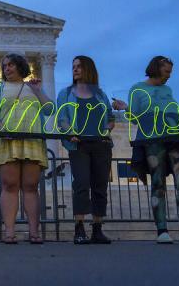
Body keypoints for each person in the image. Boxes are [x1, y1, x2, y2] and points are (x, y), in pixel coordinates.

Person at [112, 56, 179, 244]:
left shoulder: (167, 89)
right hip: (152, 140)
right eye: (166, 71)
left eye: (170, 72)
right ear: (156, 69)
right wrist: (125, 108)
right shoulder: (137, 89)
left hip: (174, 136)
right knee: (157, 182)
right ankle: (162, 229)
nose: (169, 76)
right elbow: (135, 118)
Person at [0, 53, 53, 244]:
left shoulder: (32, 87)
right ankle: (10, 232)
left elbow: (49, 110)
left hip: (32, 140)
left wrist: (38, 90)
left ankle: (33, 232)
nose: (7, 68)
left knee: (31, 187)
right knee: (9, 185)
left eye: (11, 65)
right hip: (7, 140)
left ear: (21, 66)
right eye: (4, 66)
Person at [56, 56, 114, 244]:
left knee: (100, 186)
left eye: (79, 66)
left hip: (101, 143)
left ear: (88, 68)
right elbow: (62, 117)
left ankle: (97, 228)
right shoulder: (66, 93)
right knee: (81, 184)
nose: (75, 69)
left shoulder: (100, 94)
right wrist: (69, 131)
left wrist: (108, 128)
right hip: (79, 144)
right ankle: (79, 228)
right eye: (73, 66)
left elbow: (110, 116)